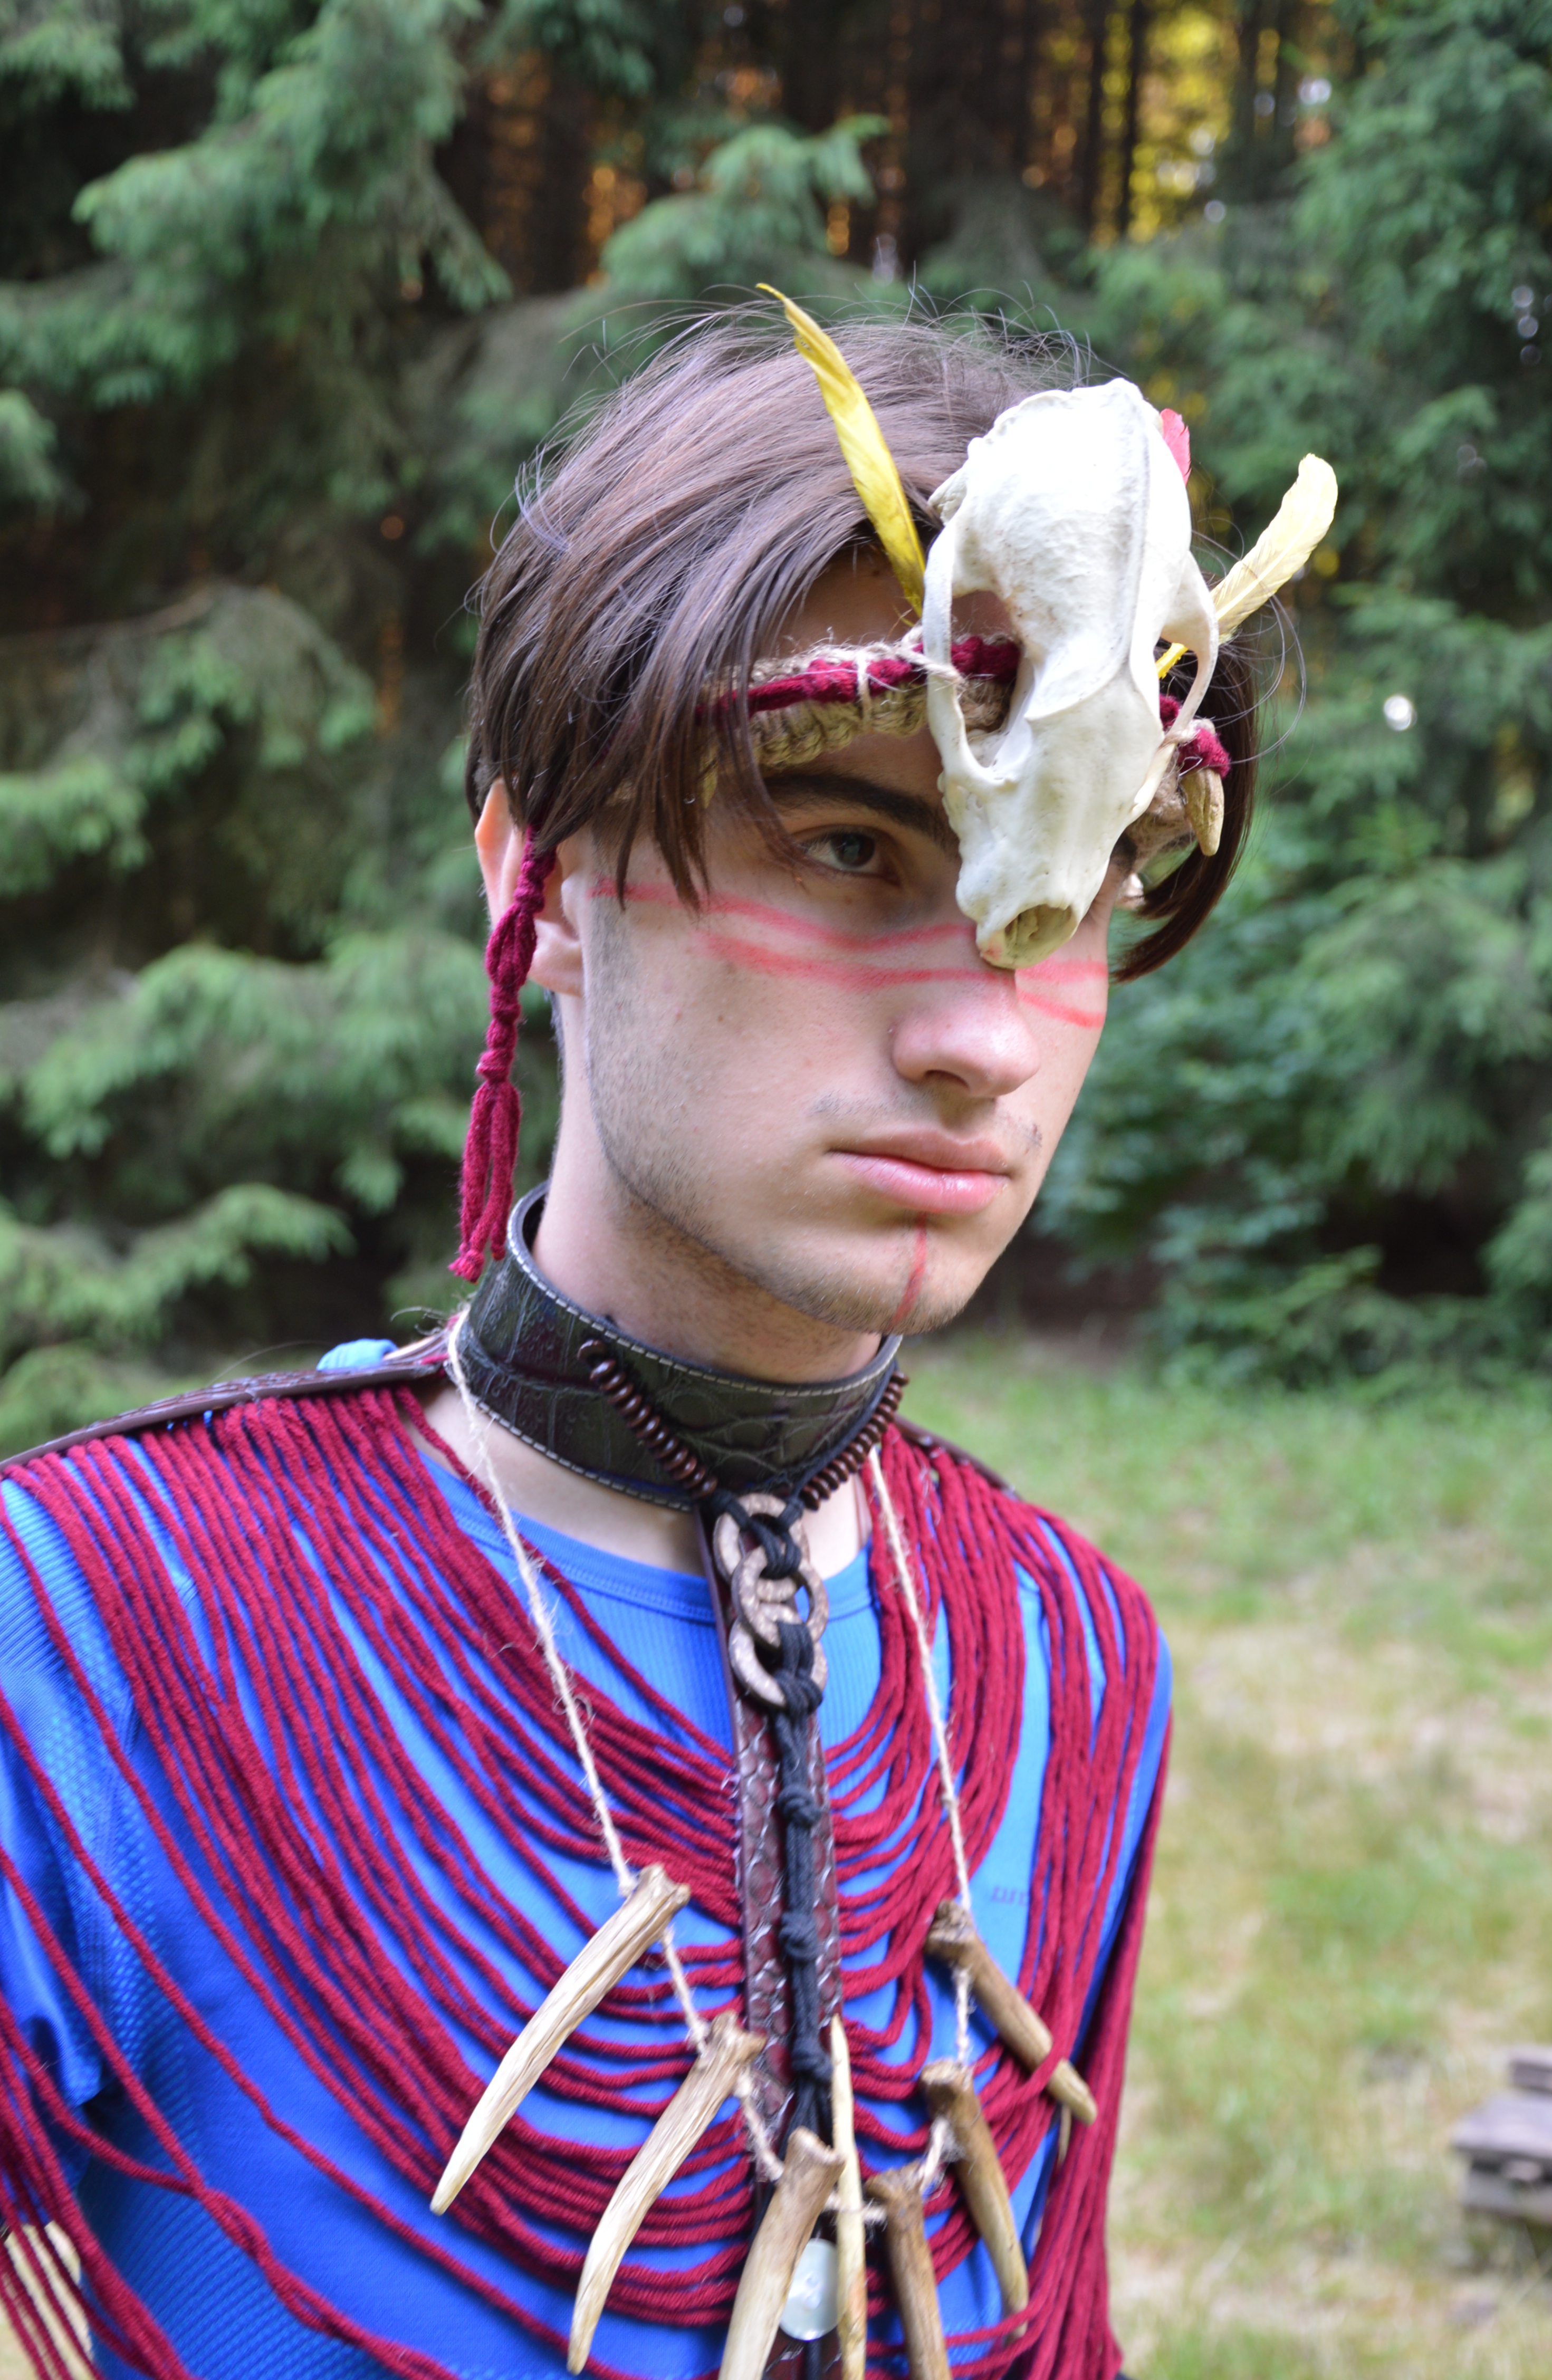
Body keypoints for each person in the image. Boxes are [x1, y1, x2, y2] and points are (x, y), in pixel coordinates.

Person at [0, 307, 1303, 2380]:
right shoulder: (86, 1633)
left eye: (1074, 882)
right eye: (851, 844)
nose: (981, 1037)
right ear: (537, 872)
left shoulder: (1066, 1664)